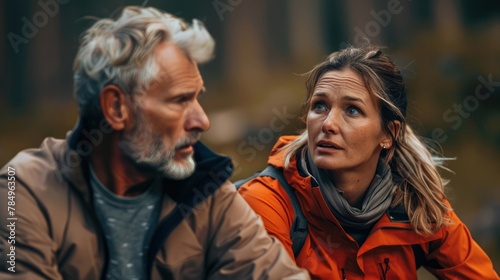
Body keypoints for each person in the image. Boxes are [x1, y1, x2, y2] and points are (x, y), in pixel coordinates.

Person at [0, 6, 309, 280]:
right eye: (180, 100)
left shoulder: (206, 190)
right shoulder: (23, 188)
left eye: (197, 97)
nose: (202, 121)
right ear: (117, 108)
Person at [238, 45, 499, 279]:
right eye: (320, 106)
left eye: (352, 110)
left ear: (389, 134)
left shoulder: (417, 204)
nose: (328, 124)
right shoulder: (267, 202)